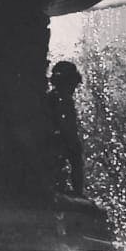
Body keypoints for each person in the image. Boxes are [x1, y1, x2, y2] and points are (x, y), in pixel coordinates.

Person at [48, 60, 85, 196]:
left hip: (54, 143)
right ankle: (77, 192)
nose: (75, 88)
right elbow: (66, 126)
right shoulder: (62, 99)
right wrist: (74, 143)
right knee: (75, 157)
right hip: (57, 143)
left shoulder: (52, 97)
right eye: (73, 83)